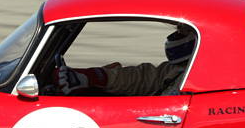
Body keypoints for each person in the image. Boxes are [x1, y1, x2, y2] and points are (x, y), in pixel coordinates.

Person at [54, 24, 197, 97]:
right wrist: (93, 77)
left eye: (183, 31)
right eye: (178, 29)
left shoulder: (198, 77)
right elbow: (143, 78)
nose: (177, 35)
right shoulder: (177, 69)